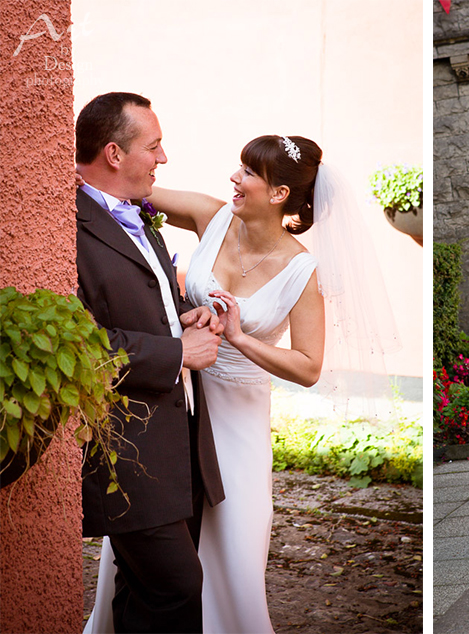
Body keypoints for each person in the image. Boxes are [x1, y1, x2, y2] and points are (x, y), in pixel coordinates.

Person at [85, 133, 392, 632]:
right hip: (178, 406)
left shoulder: (301, 271)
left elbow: (309, 366)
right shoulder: (213, 217)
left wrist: (239, 338)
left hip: (238, 424)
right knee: (154, 541)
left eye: (249, 172)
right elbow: (121, 189)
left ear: (278, 195)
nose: (234, 177)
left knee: (232, 555)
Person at [76, 92, 226, 633]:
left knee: (142, 593)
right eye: (154, 146)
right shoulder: (66, 223)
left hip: (178, 434)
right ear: (115, 154)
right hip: (126, 442)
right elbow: (80, 344)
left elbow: (148, 297)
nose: (163, 158)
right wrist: (176, 352)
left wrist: (187, 317)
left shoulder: (141, 213)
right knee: (176, 588)